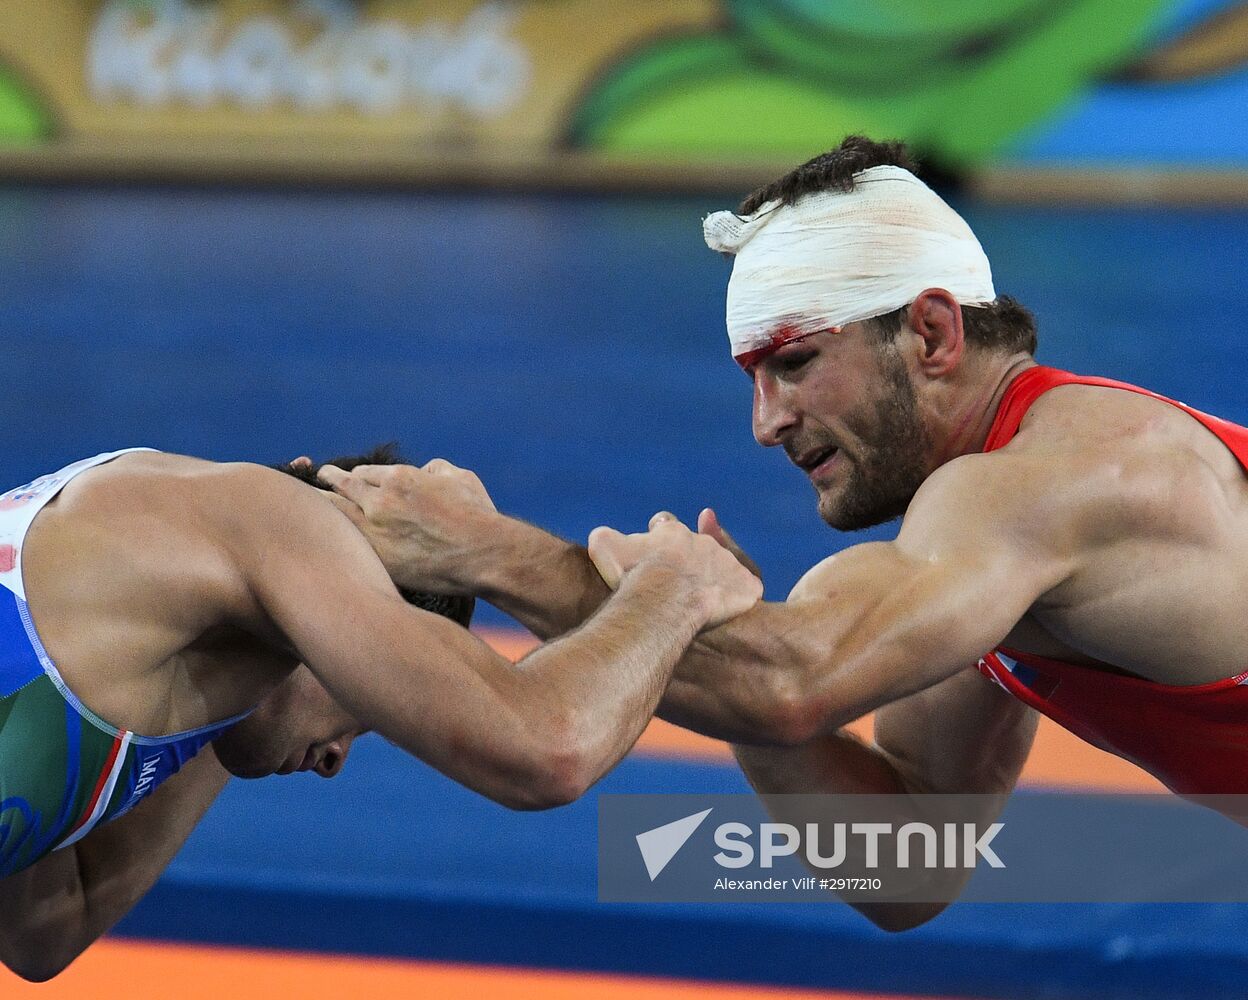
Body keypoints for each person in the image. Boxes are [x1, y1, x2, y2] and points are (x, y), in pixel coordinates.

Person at [319, 135, 1248, 930]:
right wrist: (720, 650)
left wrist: (488, 549)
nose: (766, 422)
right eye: (754, 378)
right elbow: (909, 866)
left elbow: (790, 682)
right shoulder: (983, 552)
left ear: (930, 335)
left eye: (795, 363)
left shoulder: (1059, 484)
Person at [0, 445, 761, 980]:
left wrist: (233, 712)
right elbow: (549, 745)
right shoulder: (265, 517)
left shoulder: (148, 594)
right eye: (366, 712)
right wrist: (673, 586)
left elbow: (46, 925)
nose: (334, 758)